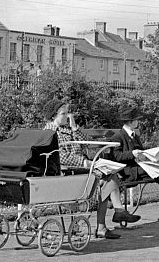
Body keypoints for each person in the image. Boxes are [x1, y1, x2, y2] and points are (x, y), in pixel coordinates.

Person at [42, 99, 140, 239]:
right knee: (108, 179)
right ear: (53, 116)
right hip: (67, 170)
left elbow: (87, 142)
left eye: (68, 113)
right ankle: (109, 220)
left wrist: (75, 128)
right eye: (63, 113)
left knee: (108, 177)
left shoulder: (67, 128)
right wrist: (85, 162)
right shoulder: (50, 132)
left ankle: (111, 218)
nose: (67, 116)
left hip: (80, 168)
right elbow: (59, 156)